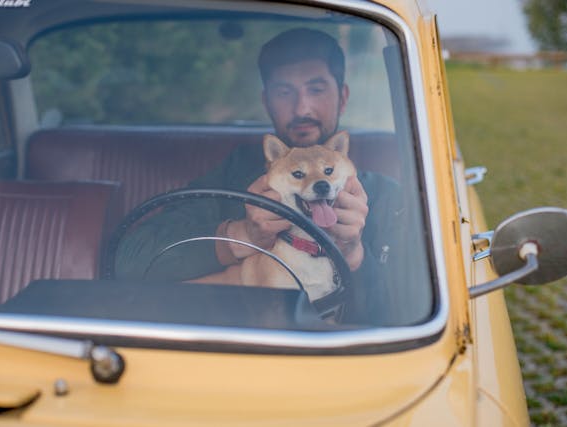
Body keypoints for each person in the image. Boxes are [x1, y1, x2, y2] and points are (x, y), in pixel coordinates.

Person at [116, 28, 402, 324]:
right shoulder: (231, 175)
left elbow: (409, 315)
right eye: (284, 92)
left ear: (342, 97)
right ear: (266, 102)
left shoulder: (386, 196)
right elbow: (130, 260)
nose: (302, 107)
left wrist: (354, 254)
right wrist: (242, 235)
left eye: (316, 89)